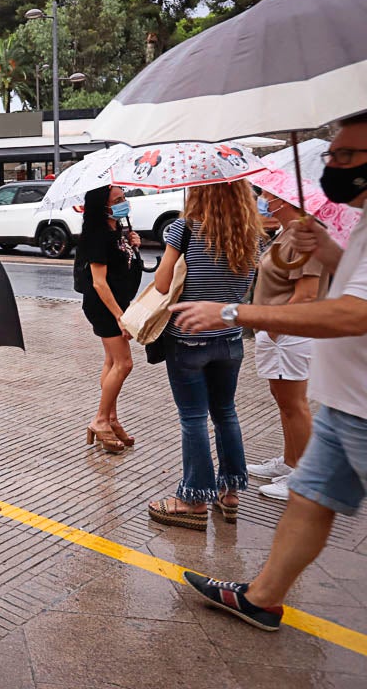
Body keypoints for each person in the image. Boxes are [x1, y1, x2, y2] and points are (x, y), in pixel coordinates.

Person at [173, 113, 367, 631]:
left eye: (347, 156)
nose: (334, 165)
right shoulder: (357, 222)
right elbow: (348, 277)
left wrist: (235, 313)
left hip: (364, 408)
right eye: (332, 155)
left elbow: (354, 311)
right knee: (310, 499)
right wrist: (324, 248)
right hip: (346, 401)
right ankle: (262, 596)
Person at [146, 182, 263, 530]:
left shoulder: (183, 229)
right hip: (229, 338)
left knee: (193, 418)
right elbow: (245, 290)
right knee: (226, 412)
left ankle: (193, 498)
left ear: (199, 193)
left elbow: (163, 284)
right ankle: (230, 493)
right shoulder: (249, 233)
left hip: (188, 339)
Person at [246, 189, 330, 500]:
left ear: (286, 198)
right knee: (284, 401)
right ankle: (290, 462)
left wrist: (279, 328)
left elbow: (307, 292)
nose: (262, 199)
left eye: (267, 194)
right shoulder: (286, 232)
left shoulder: (305, 234)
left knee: (295, 404)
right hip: (277, 331)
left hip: (290, 333)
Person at [77, 185, 142, 453]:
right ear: (102, 207)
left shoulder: (117, 231)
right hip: (104, 306)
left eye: (124, 198)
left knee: (113, 361)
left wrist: (133, 246)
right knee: (125, 363)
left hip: (116, 303)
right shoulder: (96, 235)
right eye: (117, 200)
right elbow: (99, 283)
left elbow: (122, 267)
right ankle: (100, 419)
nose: (123, 203)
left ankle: (111, 419)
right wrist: (120, 316)